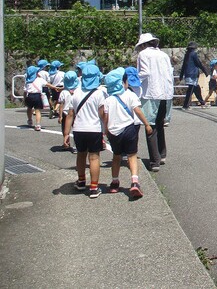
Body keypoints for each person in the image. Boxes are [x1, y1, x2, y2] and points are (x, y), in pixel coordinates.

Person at [101, 67, 153, 199]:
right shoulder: (130, 95)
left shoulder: (108, 100)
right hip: (129, 129)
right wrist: (146, 124)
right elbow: (138, 111)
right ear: (123, 82)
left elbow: (105, 118)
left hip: (113, 132)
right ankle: (135, 182)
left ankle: (114, 182)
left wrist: (105, 130)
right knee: (132, 156)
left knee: (116, 157)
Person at [63, 63, 107, 198]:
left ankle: (81, 181)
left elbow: (70, 114)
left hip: (78, 130)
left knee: (81, 155)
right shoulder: (99, 93)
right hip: (94, 129)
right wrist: (106, 129)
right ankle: (94, 188)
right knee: (94, 157)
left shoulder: (75, 92)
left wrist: (66, 134)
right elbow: (102, 114)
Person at [135, 32, 174, 172]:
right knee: (160, 124)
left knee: (150, 126)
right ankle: (162, 155)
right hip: (166, 93)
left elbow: (144, 73)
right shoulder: (164, 55)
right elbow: (170, 73)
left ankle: (154, 161)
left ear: (144, 44)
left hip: (151, 93)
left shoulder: (143, 55)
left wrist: (134, 80)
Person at [23, 65, 58, 131]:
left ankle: (30, 120)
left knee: (29, 108)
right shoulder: (40, 79)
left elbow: (25, 91)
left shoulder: (27, 81)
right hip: (37, 96)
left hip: (29, 96)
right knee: (37, 110)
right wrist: (55, 88)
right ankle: (38, 124)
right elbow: (48, 84)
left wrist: (24, 99)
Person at [179, 41, 208, 109]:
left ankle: (202, 103)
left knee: (196, 89)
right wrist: (205, 71)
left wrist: (181, 74)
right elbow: (198, 63)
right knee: (191, 90)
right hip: (193, 74)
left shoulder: (187, 54)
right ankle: (185, 105)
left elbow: (184, 65)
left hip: (188, 74)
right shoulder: (193, 54)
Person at [58, 70, 79, 153]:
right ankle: (76, 146)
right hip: (76, 112)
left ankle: (66, 143)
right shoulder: (78, 91)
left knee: (65, 128)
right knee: (76, 129)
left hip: (65, 113)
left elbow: (61, 105)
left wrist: (60, 116)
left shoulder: (63, 92)